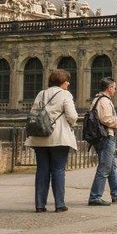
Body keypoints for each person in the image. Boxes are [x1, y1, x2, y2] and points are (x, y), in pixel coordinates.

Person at [24, 69, 78, 212]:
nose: (68, 83)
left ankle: (40, 205)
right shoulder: (65, 94)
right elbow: (72, 116)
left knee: (42, 170)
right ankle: (59, 204)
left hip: (39, 137)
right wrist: (71, 123)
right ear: (62, 82)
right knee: (58, 170)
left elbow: (34, 113)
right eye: (67, 81)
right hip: (58, 137)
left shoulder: (41, 93)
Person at [87, 77, 117, 206]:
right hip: (105, 137)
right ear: (109, 88)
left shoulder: (97, 100)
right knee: (105, 167)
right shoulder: (104, 101)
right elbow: (106, 119)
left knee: (111, 166)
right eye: (114, 88)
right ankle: (95, 197)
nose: (115, 90)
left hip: (100, 137)